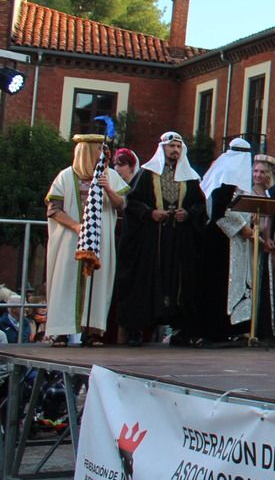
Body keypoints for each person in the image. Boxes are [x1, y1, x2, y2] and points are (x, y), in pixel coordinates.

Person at [119, 131, 205, 346]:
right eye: (171, 146)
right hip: (152, 239)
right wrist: (150, 213)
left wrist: (188, 213)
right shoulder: (147, 174)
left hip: (180, 240)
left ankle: (181, 331)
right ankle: (137, 330)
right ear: (162, 148)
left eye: (178, 147)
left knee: (180, 283)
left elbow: (200, 205)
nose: (175, 150)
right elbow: (132, 202)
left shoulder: (190, 177)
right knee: (146, 280)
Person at [45, 133, 127, 346]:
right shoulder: (65, 176)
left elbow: (122, 205)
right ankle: (60, 332)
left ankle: (93, 331)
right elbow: (53, 209)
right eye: (99, 149)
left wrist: (108, 187)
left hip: (99, 240)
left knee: (98, 282)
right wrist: (76, 226)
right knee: (66, 281)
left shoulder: (109, 175)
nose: (103, 153)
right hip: (69, 241)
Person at [215, 153, 275, 341]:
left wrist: (266, 238)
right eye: (255, 171)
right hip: (245, 242)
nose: (258, 175)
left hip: (258, 244)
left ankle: (254, 325)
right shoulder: (243, 191)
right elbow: (230, 214)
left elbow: (267, 219)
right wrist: (249, 232)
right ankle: (241, 326)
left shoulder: (269, 194)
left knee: (257, 282)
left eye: (262, 172)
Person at [201, 138, 257, 341]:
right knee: (221, 283)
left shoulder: (222, 172)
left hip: (231, 240)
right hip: (222, 241)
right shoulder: (228, 176)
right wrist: (243, 227)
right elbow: (219, 211)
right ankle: (219, 330)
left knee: (234, 282)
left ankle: (231, 329)